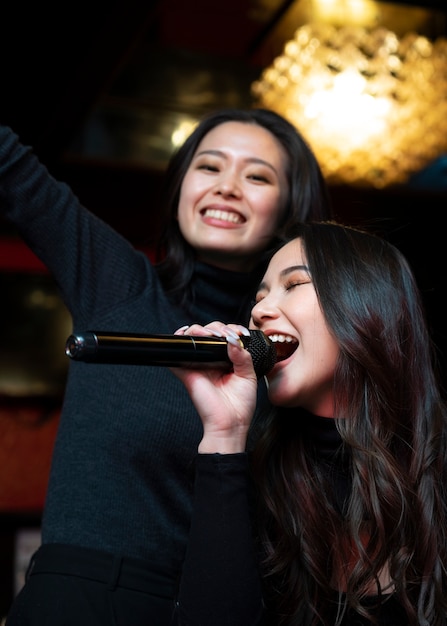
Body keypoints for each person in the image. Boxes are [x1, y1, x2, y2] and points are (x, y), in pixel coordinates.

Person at [0, 108, 331, 625]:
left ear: (289, 209)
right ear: (180, 188)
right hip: (75, 600)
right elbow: (13, 169)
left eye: (258, 176)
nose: (227, 187)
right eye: (209, 167)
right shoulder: (119, 285)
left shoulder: (289, 349)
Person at [172, 221, 447, 626]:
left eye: (294, 284)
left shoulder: (435, 465)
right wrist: (224, 435)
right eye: (259, 295)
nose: (259, 310)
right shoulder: (263, 473)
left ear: (367, 303)